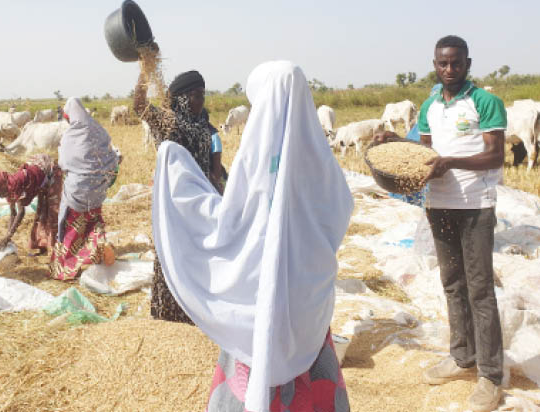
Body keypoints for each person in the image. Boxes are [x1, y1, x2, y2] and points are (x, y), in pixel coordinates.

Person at [153, 61, 353, 412]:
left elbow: (230, 224)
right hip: (308, 309)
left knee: (251, 372)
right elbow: (338, 213)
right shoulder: (323, 162)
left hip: (256, 305)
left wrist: (175, 171)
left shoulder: (257, 158)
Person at [376, 35, 506, 412]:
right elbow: (425, 156)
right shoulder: (431, 106)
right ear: (434, 64)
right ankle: (461, 356)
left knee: (480, 290)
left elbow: (495, 156)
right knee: (452, 283)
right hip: (440, 205)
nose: (449, 70)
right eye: (442, 64)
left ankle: (490, 375)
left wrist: (453, 162)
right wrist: (396, 141)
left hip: (475, 204)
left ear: (468, 63)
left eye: (456, 63)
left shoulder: (484, 101)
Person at [134, 46, 216, 324]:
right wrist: (145, 68)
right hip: (175, 206)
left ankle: (196, 315)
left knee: (198, 259)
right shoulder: (168, 123)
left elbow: (213, 164)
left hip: (201, 204)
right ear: (182, 97)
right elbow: (139, 106)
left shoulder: (203, 124)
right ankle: (169, 318)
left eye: (203, 95)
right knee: (172, 256)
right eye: (196, 95)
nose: (200, 101)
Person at [50, 97, 119, 281]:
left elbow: (64, 164)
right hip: (98, 190)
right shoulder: (100, 131)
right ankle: (97, 248)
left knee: (72, 227)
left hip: (78, 191)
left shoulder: (71, 136)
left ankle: (69, 265)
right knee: (92, 221)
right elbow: (112, 158)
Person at [0, 154, 62, 256]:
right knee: (41, 213)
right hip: (40, 181)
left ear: (2, 186)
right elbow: (13, 213)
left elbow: (21, 212)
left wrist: (8, 237)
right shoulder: (8, 189)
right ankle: (43, 248)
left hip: (52, 174)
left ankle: (56, 252)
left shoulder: (17, 184)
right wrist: (8, 236)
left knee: (53, 213)